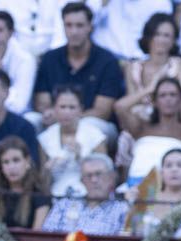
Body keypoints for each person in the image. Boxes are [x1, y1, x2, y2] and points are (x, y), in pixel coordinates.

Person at [31, 2, 124, 142]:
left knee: (90, 126)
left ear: (90, 27)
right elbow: (41, 103)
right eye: (69, 25)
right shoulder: (50, 59)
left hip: (92, 123)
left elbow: (102, 111)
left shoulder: (107, 61)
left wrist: (68, 117)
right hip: (55, 120)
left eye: (79, 25)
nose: (74, 31)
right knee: (32, 120)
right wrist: (54, 115)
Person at [114, 77, 181, 183]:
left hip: (173, 186)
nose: (168, 99)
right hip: (138, 185)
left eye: (173, 95)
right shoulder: (142, 128)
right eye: (162, 95)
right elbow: (120, 107)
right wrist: (149, 89)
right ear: (155, 101)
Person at [38, 86, 106, 199]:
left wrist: (80, 158)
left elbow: (104, 177)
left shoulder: (95, 136)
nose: (67, 112)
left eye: (72, 107)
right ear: (54, 108)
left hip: (87, 196)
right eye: (62, 107)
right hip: (55, 196)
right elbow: (42, 183)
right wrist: (47, 170)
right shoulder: (45, 138)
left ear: (81, 109)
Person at [121, 12, 181, 125]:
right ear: (148, 37)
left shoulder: (179, 65)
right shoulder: (133, 67)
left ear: (174, 40)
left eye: (166, 35)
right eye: (157, 34)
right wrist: (150, 88)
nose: (161, 40)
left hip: (171, 123)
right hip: (138, 125)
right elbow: (128, 104)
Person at [42, 153, 129, 235]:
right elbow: (47, 236)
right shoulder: (64, 205)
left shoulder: (123, 209)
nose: (94, 180)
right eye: (88, 175)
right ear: (82, 181)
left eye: (99, 174)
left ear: (111, 177)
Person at [125, 148, 181, 238]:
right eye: (168, 166)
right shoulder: (147, 197)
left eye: (180, 165)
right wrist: (132, 205)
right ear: (161, 173)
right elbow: (132, 230)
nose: (174, 169)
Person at [0, 136, 50, 229]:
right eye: (6, 162)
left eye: (16, 160)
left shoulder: (40, 193)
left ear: (27, 161)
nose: (11, 167)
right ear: (1, 167)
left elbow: (38, 234)